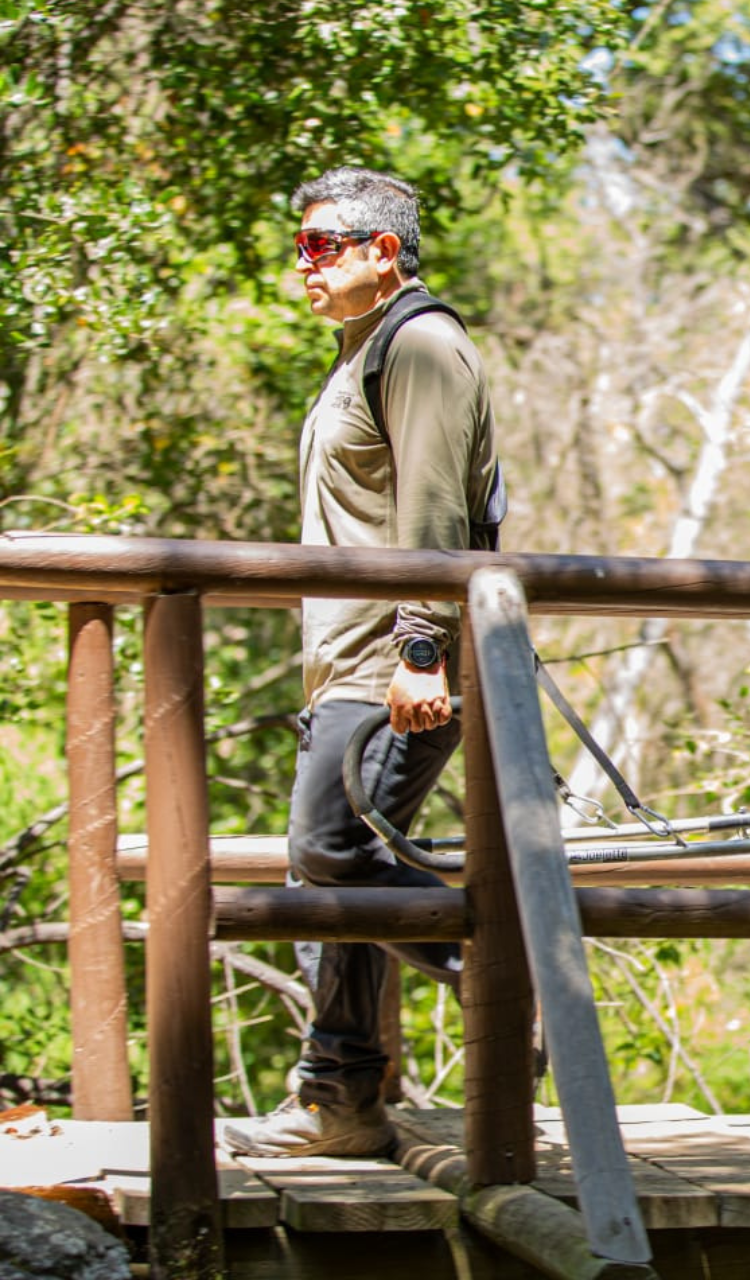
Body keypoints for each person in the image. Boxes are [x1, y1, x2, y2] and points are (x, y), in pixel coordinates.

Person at [224, 167, 504, 1158]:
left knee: (331, 854)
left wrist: (421, 648)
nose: (301, 265)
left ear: (382, 252)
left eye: (318, 246)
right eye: (299, 247)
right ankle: (340, 1101)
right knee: (325, 866)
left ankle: (500, 975)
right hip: (346, 667)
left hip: (395, 667)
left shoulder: (421, 345)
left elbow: (432, 510)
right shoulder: (363, 353)